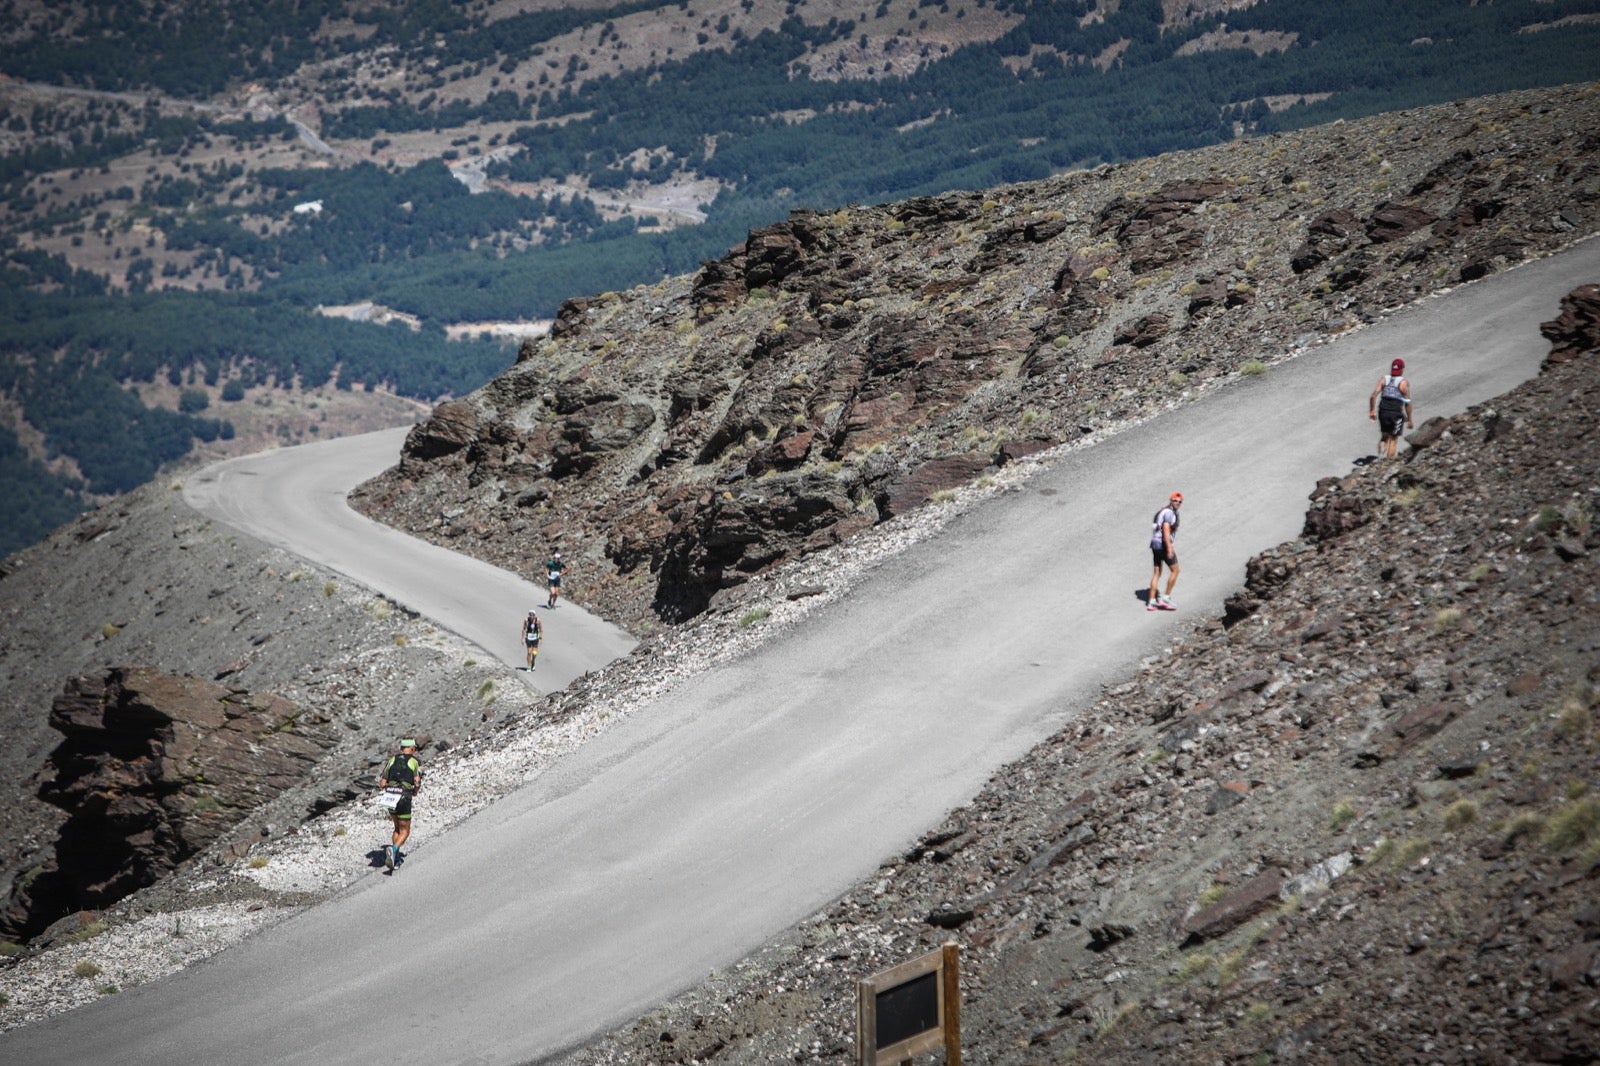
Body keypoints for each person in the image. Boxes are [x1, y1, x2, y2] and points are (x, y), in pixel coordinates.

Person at [376, 738, 423, 871]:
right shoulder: (413, 761)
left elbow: (382, 783)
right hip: (403, 796)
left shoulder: (392, 760)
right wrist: (415, 791)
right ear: (412, 748)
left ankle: (394, 858)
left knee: (396, 827)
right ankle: (394, 849)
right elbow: (417, 781)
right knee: (405, 831)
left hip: (389, 796)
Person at [1368, 357, 1414, 460]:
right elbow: (1407, 402)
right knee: (1393, 439)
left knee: (1384, 436)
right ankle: (1387, 463)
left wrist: (1372, 411)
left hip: (1382, 411)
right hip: (1395, 414)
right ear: (1402, 369)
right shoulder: (1403, 383)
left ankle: (1379, 458)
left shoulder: (1384, 379)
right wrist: (1410, 419)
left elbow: (1373, 396)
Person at [1147, 492, 1182, 612]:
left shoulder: (1162, 511)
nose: (1177, 503)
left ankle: (1151, 602)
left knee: (1157, 572)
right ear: (1171, 500)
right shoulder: (1169, 513)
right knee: (1175, 570)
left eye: (1179, 501)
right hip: (1163, 544)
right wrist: (1170, 548)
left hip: (1155, 544)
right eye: (1175, 500)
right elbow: (1166, 529)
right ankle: (1166, 598)